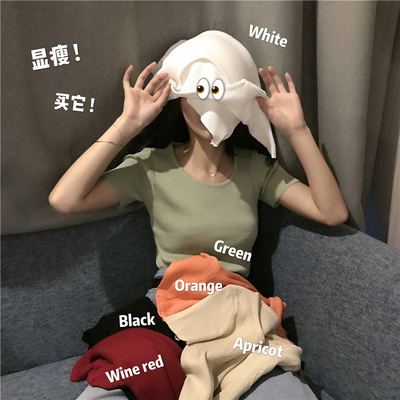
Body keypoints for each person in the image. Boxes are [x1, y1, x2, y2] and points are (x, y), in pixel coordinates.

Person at [49, 55, 347, 398]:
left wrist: (297, 130)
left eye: (222, 93)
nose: (211, 106)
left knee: (283, 391)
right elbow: (64, 199)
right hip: (168, 307)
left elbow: (331, 212)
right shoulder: (152, 167)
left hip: (236, 310)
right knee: (113, 387)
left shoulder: (256, 169)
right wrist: (128, 123)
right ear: (181, 98)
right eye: (199, 92)